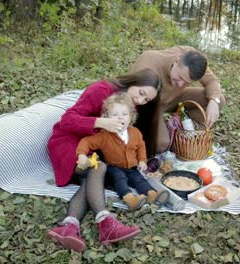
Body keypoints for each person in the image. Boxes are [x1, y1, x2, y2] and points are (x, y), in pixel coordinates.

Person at [46, 68, 161, 252]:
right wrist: (100, 122)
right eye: (140, 93)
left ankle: (68, 226)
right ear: (134, 81)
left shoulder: (131, 103)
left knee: (94, 175)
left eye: (146, 100)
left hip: (92, 147)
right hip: (67, 141)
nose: (140, 101)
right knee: (98, 168)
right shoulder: (101, 90)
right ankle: (105, 222)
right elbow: (67, 120)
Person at [76, 93, 170, 211]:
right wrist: (81, 155)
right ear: (106, 117)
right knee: (119, 178)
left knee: (139, 180)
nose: (120, 117)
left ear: (131, 116)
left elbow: (141, 147)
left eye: (124, 114)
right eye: (115, 114)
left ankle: (152, 195)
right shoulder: (104, 135)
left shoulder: (135, 132)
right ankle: (130, 199)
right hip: (114, 167)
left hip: (132, 167)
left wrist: (142, 160)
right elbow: (86, 142)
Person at [131, 46, 226, 156]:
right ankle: (166, 133)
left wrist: (214, 101)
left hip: (173, 98)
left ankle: (183, 130)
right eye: (180, 77)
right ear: (176, 61)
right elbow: (131, 98)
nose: (181, 84)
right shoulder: (149, 62)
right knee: (161, 144)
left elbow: (211, 81)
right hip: (149, 104)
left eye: (187, 82)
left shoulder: (192, 59)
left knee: (219, 99)